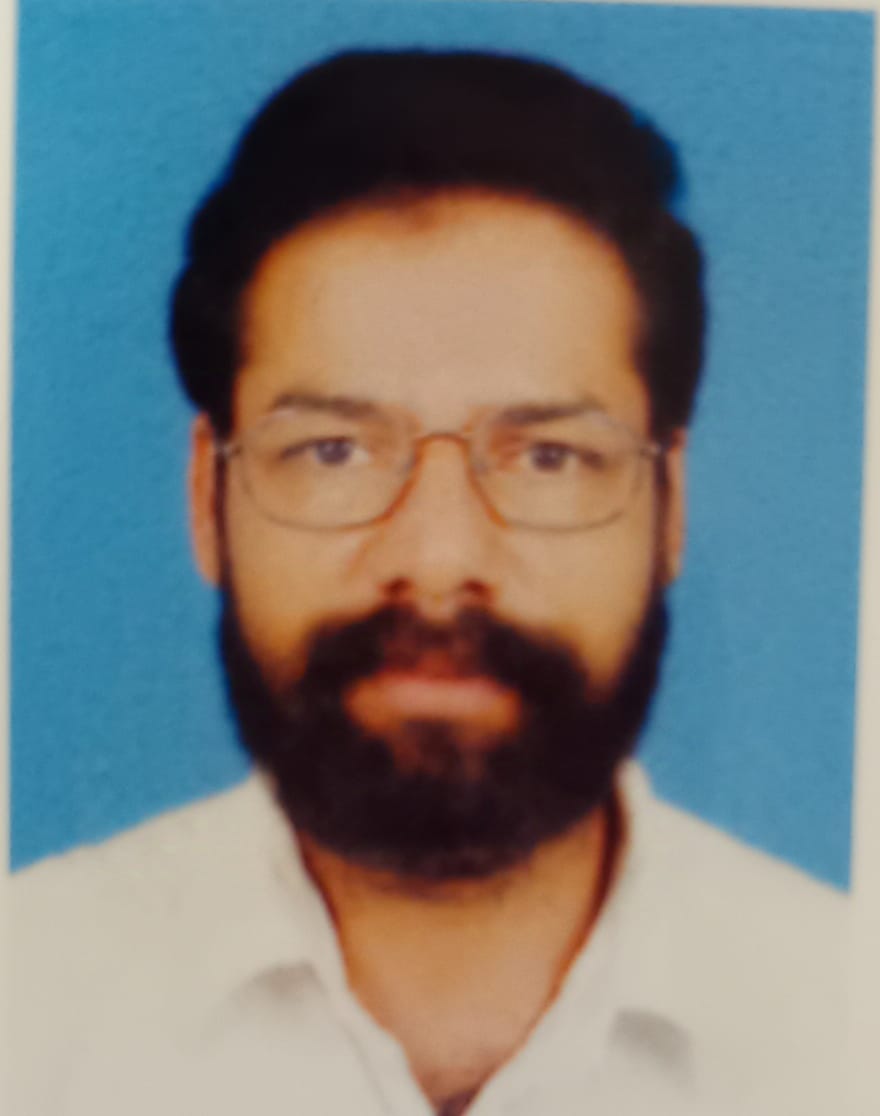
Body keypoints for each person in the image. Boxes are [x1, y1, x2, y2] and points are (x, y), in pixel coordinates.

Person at [11, 49, 847, 1116]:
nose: (441, 560)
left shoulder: (841, 1020)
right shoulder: (28, 1003)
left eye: (549, 457)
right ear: (206, 501)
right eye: (332, 451)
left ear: (669, 507)